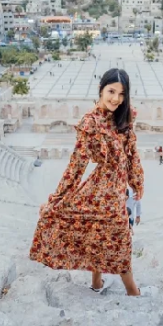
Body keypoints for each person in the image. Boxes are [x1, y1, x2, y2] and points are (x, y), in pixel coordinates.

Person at [30, 68, 144, 296]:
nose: (116, 99)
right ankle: (133, 292)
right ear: (101, 89)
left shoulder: (124, 116)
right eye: (111, 91)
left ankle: (96, 284)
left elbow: (131, 151)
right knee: (120, 241)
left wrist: (136, 180)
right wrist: (57, 198)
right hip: (100, 193)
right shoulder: (89, 123)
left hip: (116, 190)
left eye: (122, 94)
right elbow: (76, 165)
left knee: (98, 236)